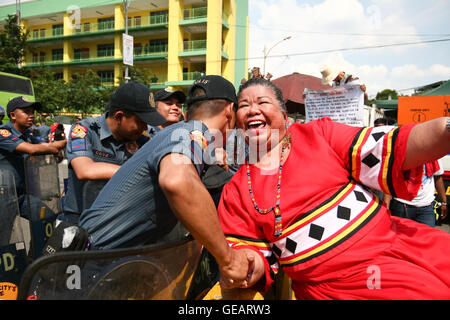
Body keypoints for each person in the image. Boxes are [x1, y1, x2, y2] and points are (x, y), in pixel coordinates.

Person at [217, 78, 450, 299]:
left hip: (393, 251)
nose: (252, 110)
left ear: (284, 115)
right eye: (244, 106)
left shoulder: (319, 134)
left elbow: (395, 145)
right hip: (329, 288)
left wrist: (447, 126)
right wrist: (243, 266)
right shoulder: (236, 189)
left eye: (262, 102)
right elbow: (253, 255)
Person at [78, 75, 253, 287]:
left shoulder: (182, 133)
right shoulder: (192, 133)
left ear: (188, 112)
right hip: (95, 265)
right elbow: (177, 181)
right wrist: (228, 258)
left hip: (105, 261)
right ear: (229, 110)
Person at [62, 81, 166, 224]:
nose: (144, 127)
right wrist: (138, 173)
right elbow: (84, 169)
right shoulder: (85, 130)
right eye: (141, 121)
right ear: (118, 117)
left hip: (121, 218)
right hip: (81, 219)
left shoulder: (145, 136)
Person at [0, 96, 67, 217]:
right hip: (4, 196)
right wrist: (53, 149)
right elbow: (31, 149)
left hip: (22, 195)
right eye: (26, 112)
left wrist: (69, 141)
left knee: (47, 219)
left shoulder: (27, 134)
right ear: (13, 115)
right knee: (5, 234)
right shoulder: (3, 133)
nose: (31, 115)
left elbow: (46, 145)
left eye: (32, 112)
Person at [388, 159, 447, 228]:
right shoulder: (402, 153)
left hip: (426, 208)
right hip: (401, 206)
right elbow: (391, 179)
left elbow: (438, 178)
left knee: (426, 237)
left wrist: (444, 202)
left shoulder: (434, 154)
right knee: (401, 238)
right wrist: (386, 205)